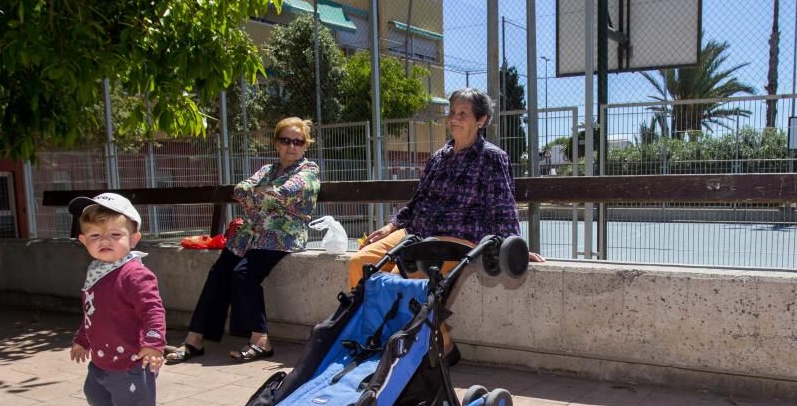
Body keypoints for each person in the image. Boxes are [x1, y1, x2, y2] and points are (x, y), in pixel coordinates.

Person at [348, 88, 544, 365]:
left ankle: (436, 346)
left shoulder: (491, 157)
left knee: (413, 282)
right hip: (417, 231)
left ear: (482, 120)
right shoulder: (439, 156)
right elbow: (418, 201)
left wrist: (514, 248)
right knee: (361, 263)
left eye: (463, 113)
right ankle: (392, 337)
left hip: (457, 237)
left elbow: (502, 204)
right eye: (452, 112)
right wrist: (392, 226)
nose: (454, 118)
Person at [166, 117, 320, 363]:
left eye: (298, 142)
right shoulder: (268, 169)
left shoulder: (308, 170)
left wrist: (259, 195)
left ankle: (261, 340)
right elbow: (240, 190)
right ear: (277, 143)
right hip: (250, 235)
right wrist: (261, 194)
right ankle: (194, 340)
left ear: (305, 145)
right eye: (286, 140)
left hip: (281, 235)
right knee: (219, 271)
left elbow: (283, 194)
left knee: (244, 273)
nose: (292, 146)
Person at [69, 193, 166, 406]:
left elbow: (153, 310)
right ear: (83, 241)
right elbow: (92, 312)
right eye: (95, 235)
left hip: (131, 360)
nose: (105, 241)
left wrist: (153, 343)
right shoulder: (97, 271)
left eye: (114, 234)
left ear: (134, 238)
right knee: (97, 395)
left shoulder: (134, 274)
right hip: (102, 359)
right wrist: (81, 339)